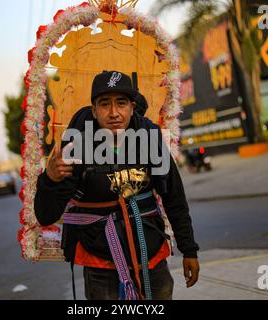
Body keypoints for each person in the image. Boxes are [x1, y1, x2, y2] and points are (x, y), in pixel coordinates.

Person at [34, 70, 199, 300]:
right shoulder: (75, 149)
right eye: (104, 104)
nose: (114, 113)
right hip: (101, 264)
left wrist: (189, 249)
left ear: (132, 107)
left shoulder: (150, 140)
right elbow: (46, 216)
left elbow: (174, 198)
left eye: (121, 103)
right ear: (94, 110)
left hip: (151, 257)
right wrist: (49, 180)